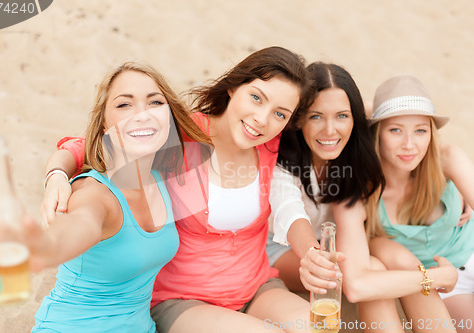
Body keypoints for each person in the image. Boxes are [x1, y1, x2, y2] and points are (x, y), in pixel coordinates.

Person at [39, 46, 317, 333]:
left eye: (280, 114)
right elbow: (91, 143)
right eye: (256, 98)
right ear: (234, 87)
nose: (262, 119)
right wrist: (57, 174)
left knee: (319, 327)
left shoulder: (271, 146)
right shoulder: (183, 134)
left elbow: (291, 202)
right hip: (183, 300)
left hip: (256, 287)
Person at [0, 62, 211, 332]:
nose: (142, 114)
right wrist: (44, 247)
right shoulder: (95, 193)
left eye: (155, 102)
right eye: (124, 105)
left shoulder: (162, 177)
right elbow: (81, 223)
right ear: (103, 125)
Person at [269, 64, 459, 332]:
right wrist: (435, 277)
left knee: (397, 256)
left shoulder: (355, 150)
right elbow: (290, 212)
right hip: (291, 248)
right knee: (366, 268)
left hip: (338, 241)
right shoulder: (284, 162)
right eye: (316, 117)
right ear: (299, 119)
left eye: (342, 116)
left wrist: (454, 193)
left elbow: (391, 118)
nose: (330, 129)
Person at [365, 75, 474, 333]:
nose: (409, 145)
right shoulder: (366, 193)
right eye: (395, 130)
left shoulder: (446, 159)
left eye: (421, 130)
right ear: (377, 133)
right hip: (443, 282)